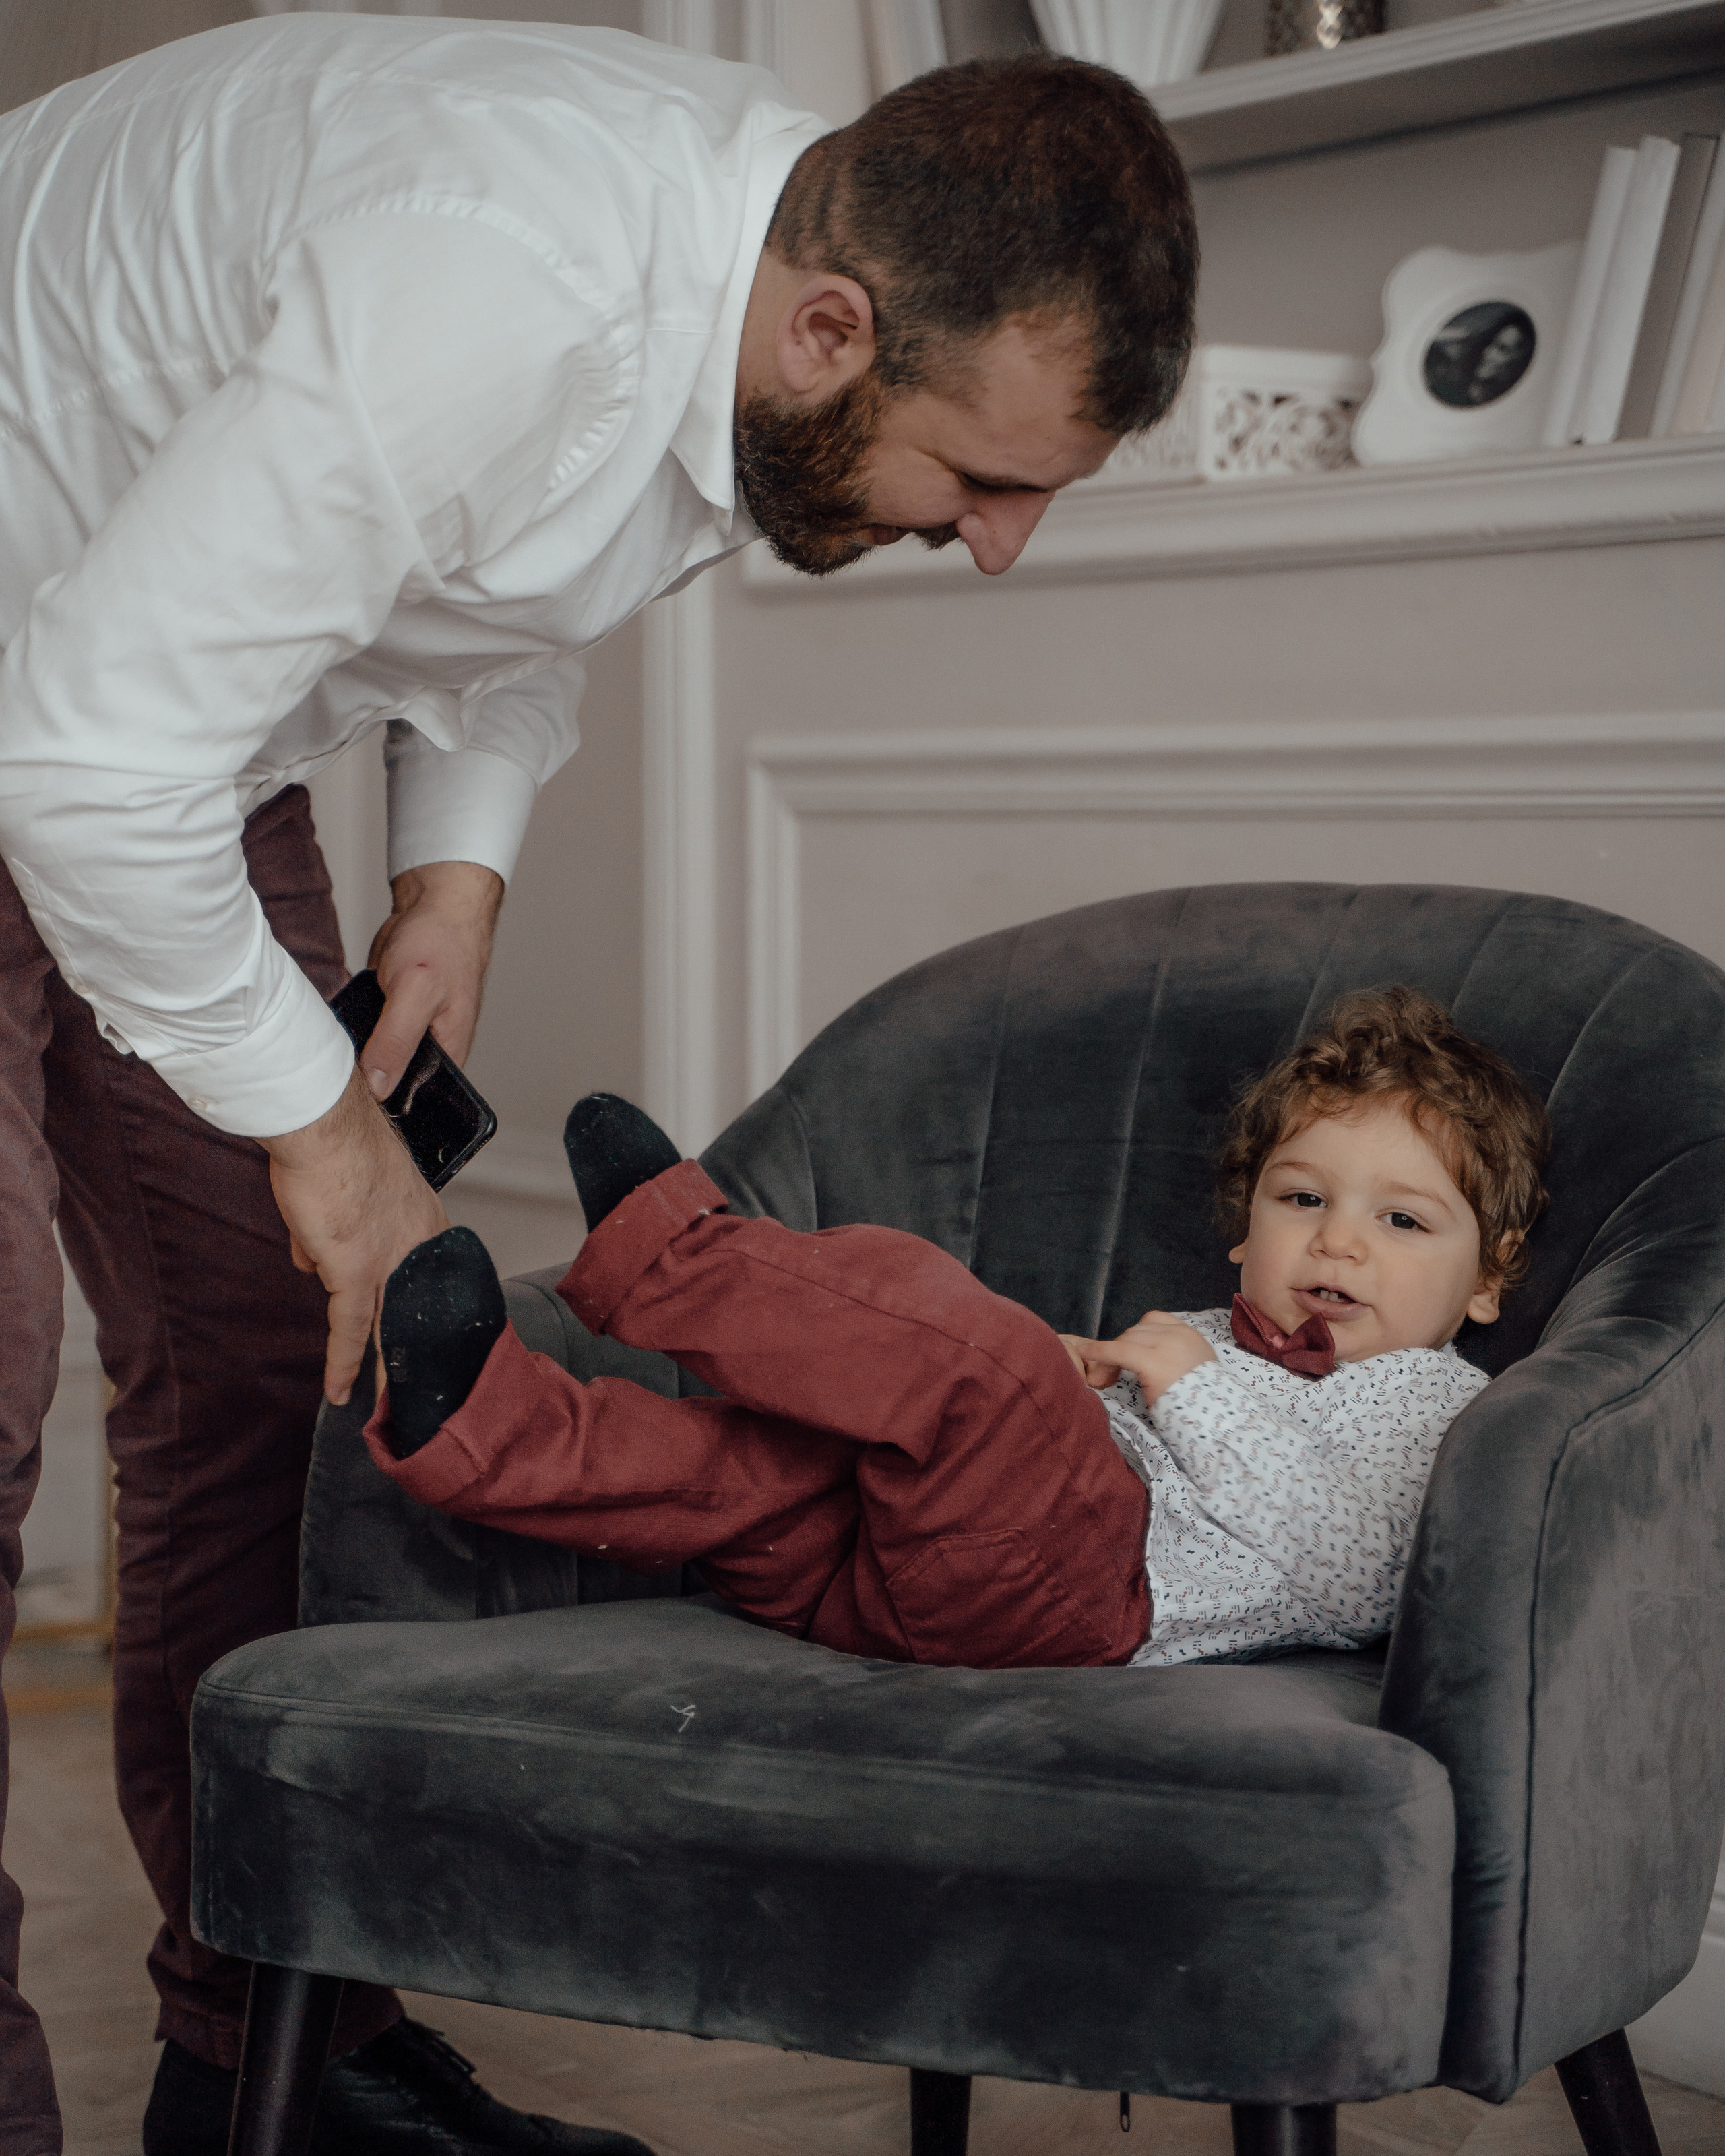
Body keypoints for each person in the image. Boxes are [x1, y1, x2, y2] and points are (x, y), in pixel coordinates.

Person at [0, 15, 1199, 2153]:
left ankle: (271, 2057)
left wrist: (448, 884)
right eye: (986, 481)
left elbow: (490, 572)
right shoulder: (501, 273)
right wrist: (329, 1141)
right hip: (83, 714)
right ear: (834, 329)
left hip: (152, 710)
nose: (1003, 543)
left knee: (283, 1367)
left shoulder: (764, 301)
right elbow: (84, 767)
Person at [366, 988, 1551, 1674]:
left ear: (1488, 1281)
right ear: (1244, 1233)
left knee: (980, 1354)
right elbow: (1070, 1448)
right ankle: (480, 1420)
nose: (1339, 1243)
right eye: (1303, 1200)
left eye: (1402, 1220)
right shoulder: (1210, 1334)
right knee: (746, 1461)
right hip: (879, 1583)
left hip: (1087, 1605)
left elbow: (1350, 1575)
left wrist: (1181, 1388)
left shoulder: (1434, 1406)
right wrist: (1098, 1379)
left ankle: (676, 1255)